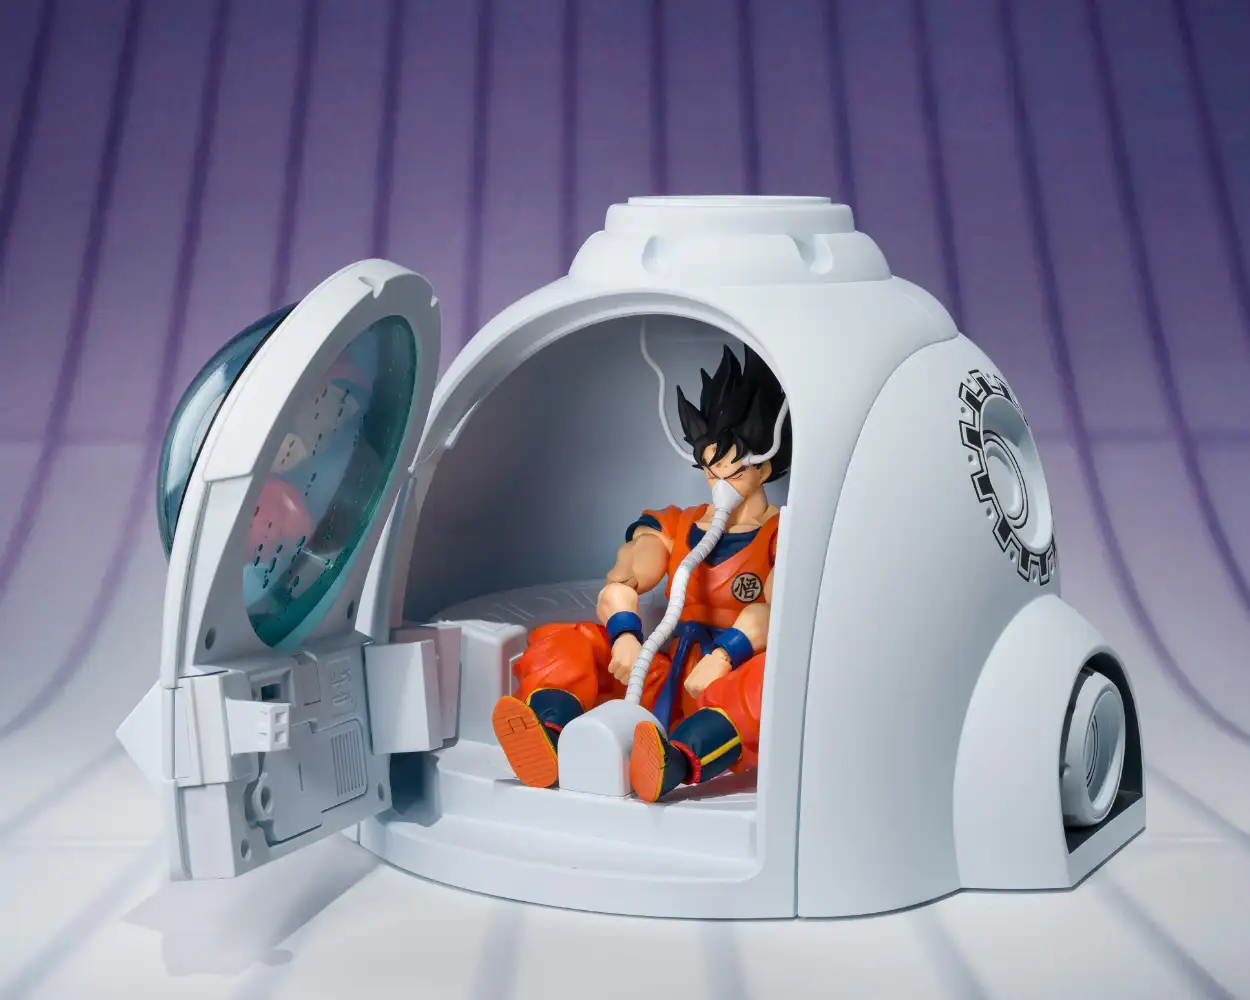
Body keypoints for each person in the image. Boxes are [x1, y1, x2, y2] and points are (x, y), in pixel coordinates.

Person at [490, 343, 791, 802]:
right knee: (566, 639)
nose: (717, 481)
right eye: (709, 468)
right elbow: (623, 582)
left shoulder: (782, 534)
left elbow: (778, 610)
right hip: (663, 676)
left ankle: (675, 762)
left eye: (729, 468)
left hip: (729, 685)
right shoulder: (676, 524)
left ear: (763, 466)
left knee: (773, 681)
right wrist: (625, 636)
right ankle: (549, 735)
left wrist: (726, 656)